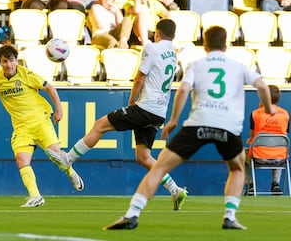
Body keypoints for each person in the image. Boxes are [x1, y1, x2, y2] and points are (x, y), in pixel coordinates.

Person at [104, 26, 275, 230]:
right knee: (237, 168)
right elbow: (263, 87)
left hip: (198, 123)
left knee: (159, 168)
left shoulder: (196, 64)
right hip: (228, 126)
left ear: (205, 45)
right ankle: (229, 216)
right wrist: (269, 107)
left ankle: (132, 214)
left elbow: (184, 88)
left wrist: (174, 120)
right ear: (226, 45)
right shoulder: (238, 66)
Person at [47, 19, 188, 210]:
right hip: (159, 113)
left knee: (100, 125)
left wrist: (131, 101)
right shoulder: (173, 54)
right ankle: (175, 189)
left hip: (145, 107)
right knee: (143, 156)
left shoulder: (151, 48)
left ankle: (68, 159)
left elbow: (140, 78)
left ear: (157, 33)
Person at [0, 44, 84, 207]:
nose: (9, 65)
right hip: (21, 128)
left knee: (57, 155)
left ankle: (70, 172)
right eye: (5, 61)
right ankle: (35, 196)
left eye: (11, 60)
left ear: (16, 60)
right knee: (21, 160)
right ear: (0, 62)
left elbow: (50, 88)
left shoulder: (27, 74)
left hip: (40, 121)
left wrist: (58, 110)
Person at [245, 85, 290, 195]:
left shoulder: (255, 114)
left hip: (259, 157)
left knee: (241, 155)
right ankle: (276, 183)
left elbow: (252, 137)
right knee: (279, 150)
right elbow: (284, 135)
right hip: (280, 159)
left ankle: (250, 185)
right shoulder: (285, 114)